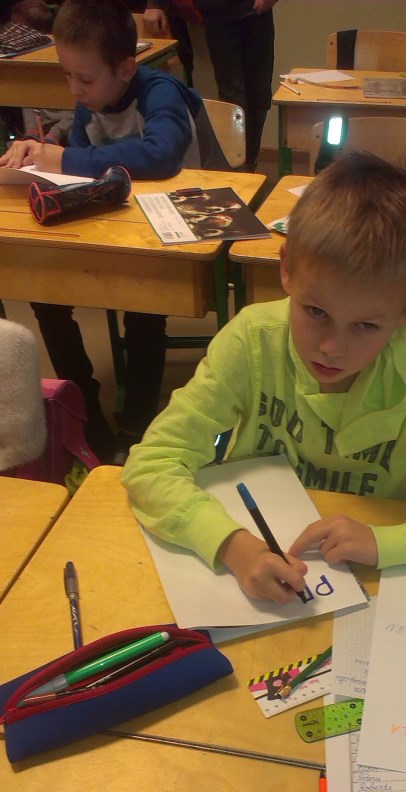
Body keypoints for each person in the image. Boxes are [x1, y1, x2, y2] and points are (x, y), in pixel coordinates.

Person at [121, 151, 406, 605]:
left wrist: (389, 542)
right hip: (258, 563)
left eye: (366, 325)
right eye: (316, 311)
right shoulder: (252, 342)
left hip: (373, 586)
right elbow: (152, 463)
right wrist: (230, 545)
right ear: (286, 269)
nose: (331, 347)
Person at [0, 0, 230, 464]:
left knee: (144, 303)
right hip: (121, 221)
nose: (74, 89)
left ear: (126, 68)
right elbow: (84, 159)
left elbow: (160, 155)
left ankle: (136, 421)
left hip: (184, 225)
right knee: (45, 292)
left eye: (84, 79)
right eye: (68, 75)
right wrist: (45, 154)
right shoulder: (93, 100)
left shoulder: (160, 92)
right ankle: (84, 408)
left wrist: (64, 158)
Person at [144, 0, 278, 170]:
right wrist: (154, 4)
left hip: (257, 14)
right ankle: (237, 168)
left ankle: (248, 165)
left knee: (259, 97)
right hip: (216, 14)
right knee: (233, 100)